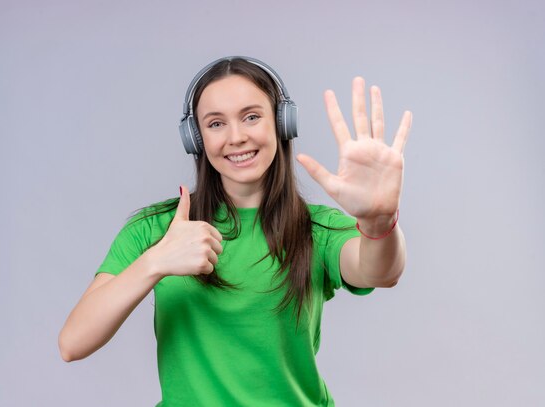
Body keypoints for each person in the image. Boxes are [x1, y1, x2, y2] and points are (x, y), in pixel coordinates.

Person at [58, 56, 413, 406]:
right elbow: (73, 343)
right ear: (196, 138)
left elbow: (380, 271)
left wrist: (379, 221)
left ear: (281, 123)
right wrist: (155, 262)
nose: (236, 137)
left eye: (252, 117)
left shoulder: (315, 229)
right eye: (215, 124)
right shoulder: (157, 230)